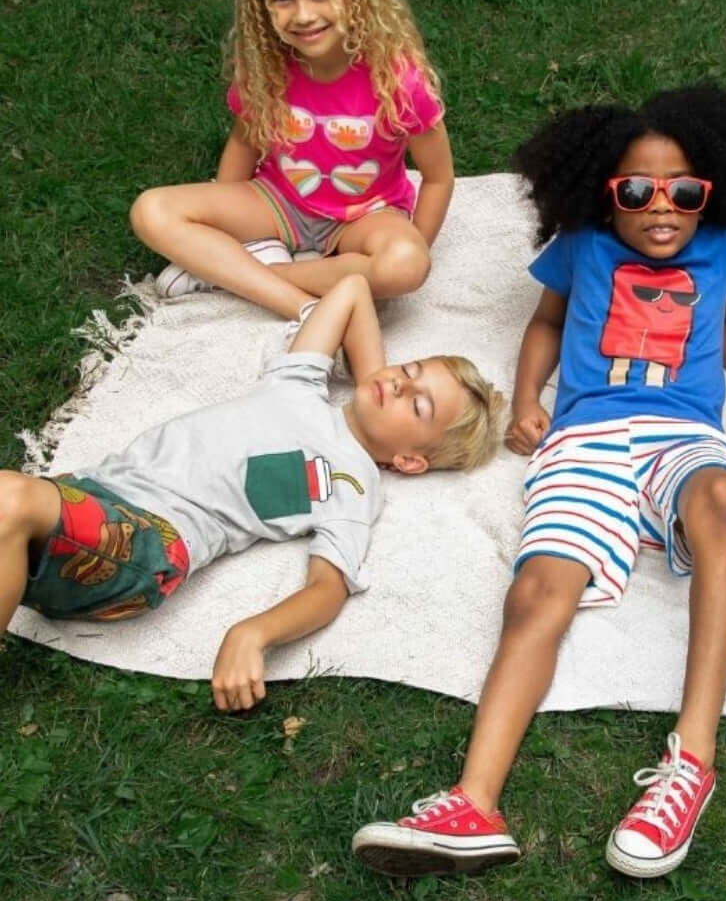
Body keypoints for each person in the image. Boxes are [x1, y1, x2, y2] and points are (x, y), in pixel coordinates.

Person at [352, 83, 726, 880]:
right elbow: (548, 320)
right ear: (602, 193)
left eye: (685, 192)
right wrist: (526, 402)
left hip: (681, 437)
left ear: (713, 194)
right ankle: (473, 804)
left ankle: (692, 760)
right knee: (536, 592)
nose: (663, 208)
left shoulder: (721, 248)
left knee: (723, 500)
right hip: (583, 439)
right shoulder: (584, 244)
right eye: (637, 190)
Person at [1, 276, 502, 710]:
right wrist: (376, 375)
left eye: (418, 407)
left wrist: (253, 633)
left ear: (410, 462)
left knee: (12, 499)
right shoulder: (298, 384)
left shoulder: (351, 483)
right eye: (409, 372)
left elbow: (328, 589)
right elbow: (352, 290)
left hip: (144, 544)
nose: (398, 386)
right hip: (88, 494)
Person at [130, 0, 453, 321]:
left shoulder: (396, 78)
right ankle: (300, 304)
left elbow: (437, 178)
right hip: (279, 201)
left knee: (404, 266)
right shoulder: (267, 65)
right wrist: (226, 222)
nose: (303, 15)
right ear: (263, 6)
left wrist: (416, 248)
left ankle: (250, 271)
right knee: (151, 210)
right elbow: (244, 143)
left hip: (365, 217)